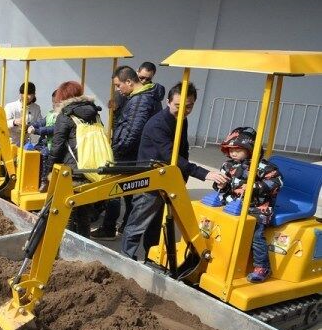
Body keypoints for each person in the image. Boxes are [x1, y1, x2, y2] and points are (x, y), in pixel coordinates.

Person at [120, 82, 228, 259]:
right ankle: (125, 258)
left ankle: (151, 257)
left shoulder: (181, 120)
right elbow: (172, 157)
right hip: (151, 180)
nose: (184, 110)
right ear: (169, 102)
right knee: (138, 223)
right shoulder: (157, 125)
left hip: (167, 180)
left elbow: (183, 150)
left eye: (189, 106)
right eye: (179, 106)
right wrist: (204, 173)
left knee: (156, 225)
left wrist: (182, 178)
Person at [92, 66, 165, 240]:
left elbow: (132, 132)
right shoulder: (142, 97)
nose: (117, 90)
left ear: (129, 82)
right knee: (129, 193)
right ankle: (125, 225)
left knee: (114, 191)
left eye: (118, 86)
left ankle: (109, 228)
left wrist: (115, 152)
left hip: (127, 154)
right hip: (134, 154)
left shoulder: (140, 100)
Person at [214, 127, 283, 283]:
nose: (233, 153)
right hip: (232, 205)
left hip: (257, 208)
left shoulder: (263, 167)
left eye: (238, 149)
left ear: (250, 149)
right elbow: (223, 185)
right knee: (217, 225)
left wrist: (254, 186)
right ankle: (220, 258)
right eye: (231, 149)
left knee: (256, 235)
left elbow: (276, 182)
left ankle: (262, 267)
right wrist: (219, 185)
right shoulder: (228, 165)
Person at [45, 81, 102, 237]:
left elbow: (57, 147)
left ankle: (66, 249)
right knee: (84, 214)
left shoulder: (65, 116)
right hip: (91, 168)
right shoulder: (94, 113)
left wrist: (47, 172)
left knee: (67, 214)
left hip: (71, 171)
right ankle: (85, 247)